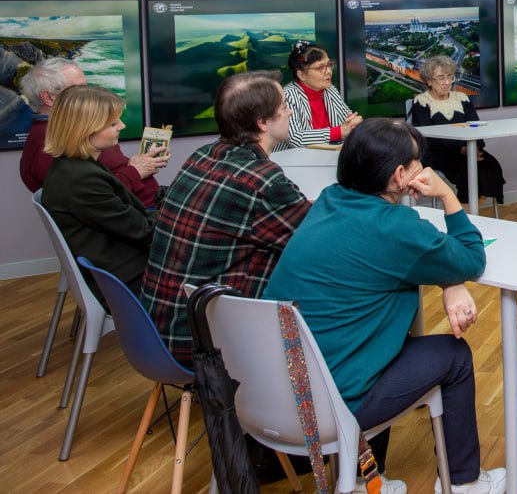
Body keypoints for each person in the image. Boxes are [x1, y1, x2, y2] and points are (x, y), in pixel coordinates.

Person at [266, 119, 505, 494]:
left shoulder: (328, 200)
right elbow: (472, 259)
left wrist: (448, 280)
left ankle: (367, 480)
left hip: (272, 393)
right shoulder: (397, 227)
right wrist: (447, 195)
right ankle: (464, 482)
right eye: (416, 161)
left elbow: (391, 264)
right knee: (454, 356)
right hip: (330, 407)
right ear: (399, 175)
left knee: (375, 344)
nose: (422, 167)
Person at [141, 71, 311, 366]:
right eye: (284, 107)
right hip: (203, 340)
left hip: (160, 326)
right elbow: (318, 241)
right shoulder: (262, 180)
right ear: (262, 122)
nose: (290, 112)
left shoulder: (203, 155)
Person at [39, 85, 155, 297]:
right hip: (126, 278)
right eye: (112, 123)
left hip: (118, 265)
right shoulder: (83, 179)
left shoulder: (75, 166)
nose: (122, 126)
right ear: (84, 129)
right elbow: (142, 231)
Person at [20, 57, 168, 207]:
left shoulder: (71, 129)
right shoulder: (51, 144)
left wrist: (138, 164)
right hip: (142, 212)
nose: (90, 93)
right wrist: (136, 171)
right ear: (49, 98)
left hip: (151, 202)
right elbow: (93, 198)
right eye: (79, 89)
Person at [408, 55, 505, 204]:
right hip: (438, 154)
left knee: (491, 165)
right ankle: (465, 212)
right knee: (468, 172)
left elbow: (476, 126)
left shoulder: (462, 98)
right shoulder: (421, 102)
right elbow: (427, 137)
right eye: (441, 78)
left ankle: (469, 209)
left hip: (468, 149)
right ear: (429, 81)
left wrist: (476, 148)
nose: (447, 82)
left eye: (450, 77)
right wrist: (461, 150)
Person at [278, 40, 362, 150]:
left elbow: (347, 118)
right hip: (294, 159)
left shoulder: (330, 90)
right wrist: (338, 132)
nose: (329, 71)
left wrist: (354, 123)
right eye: (320, 68)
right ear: (302, 75)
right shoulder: (288, 96)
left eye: (329, 65)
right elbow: (295, 138)